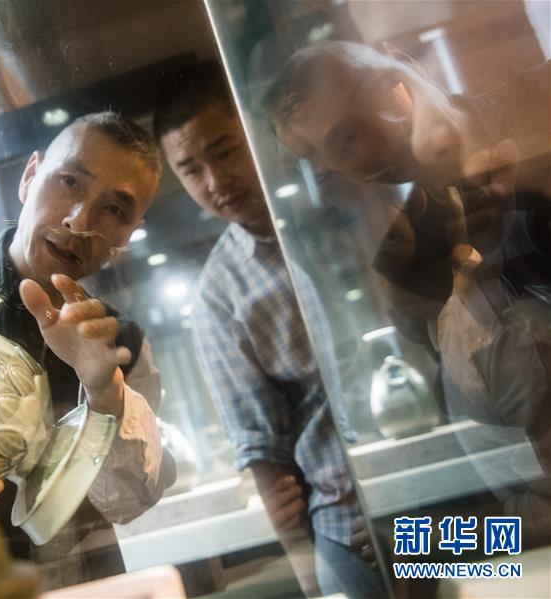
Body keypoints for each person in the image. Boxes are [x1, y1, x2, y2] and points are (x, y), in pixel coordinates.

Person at [264, 40, 551, 544]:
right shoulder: (433, 243)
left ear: (402, 64)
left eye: (344, 137)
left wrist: (426, 540)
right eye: (321, 157)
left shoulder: (529, 130)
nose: (340, 167)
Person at [0, 112, 172, 587]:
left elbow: (130, 503)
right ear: (30, 176)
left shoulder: (123, 344)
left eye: (115, 210)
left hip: (87, 584)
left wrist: (105, 394)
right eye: (69, 181)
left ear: (130, 232)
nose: (80, 220)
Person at [154, 61, 384, 599]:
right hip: (350, 526)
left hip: (450, 485)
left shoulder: (349, 201)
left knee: (511, 568)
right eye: (191, 170)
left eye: (225, 151)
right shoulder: (219, 295)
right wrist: (311, 583)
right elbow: (268, 467)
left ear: (256, 131)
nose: (215, 182)